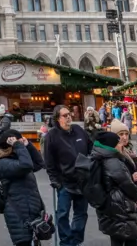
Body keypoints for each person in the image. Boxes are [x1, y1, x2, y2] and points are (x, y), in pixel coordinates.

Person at [42, 104, 91, 246]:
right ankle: (66, 241)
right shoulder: (52, 136)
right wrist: (55, 181)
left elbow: (91, 147)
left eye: (69, 114)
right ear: (58, 119)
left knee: (81, 214)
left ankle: (75, 240)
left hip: (82, 180)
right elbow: (49, 161)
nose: (69, 117)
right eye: (65, 115)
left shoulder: (78, 130)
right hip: (64, 182)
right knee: (62, 214)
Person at [0, 128, 46, 246]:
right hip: (19, 214)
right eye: (18, 142)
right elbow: (26, 165)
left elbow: (39, 163)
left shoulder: (15, 159)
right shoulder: (3, 163)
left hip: (28, 210)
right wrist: (19, 146)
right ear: (11, 146)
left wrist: (28, 145)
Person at [91, 132, 137, 246]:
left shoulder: (101, 157)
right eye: (118, 142)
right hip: (120, 205)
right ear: (112, 145)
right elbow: (126, 183)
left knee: (116, 237)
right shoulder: (112, 161)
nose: (121, 145)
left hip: (110, 205)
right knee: (130, 238)